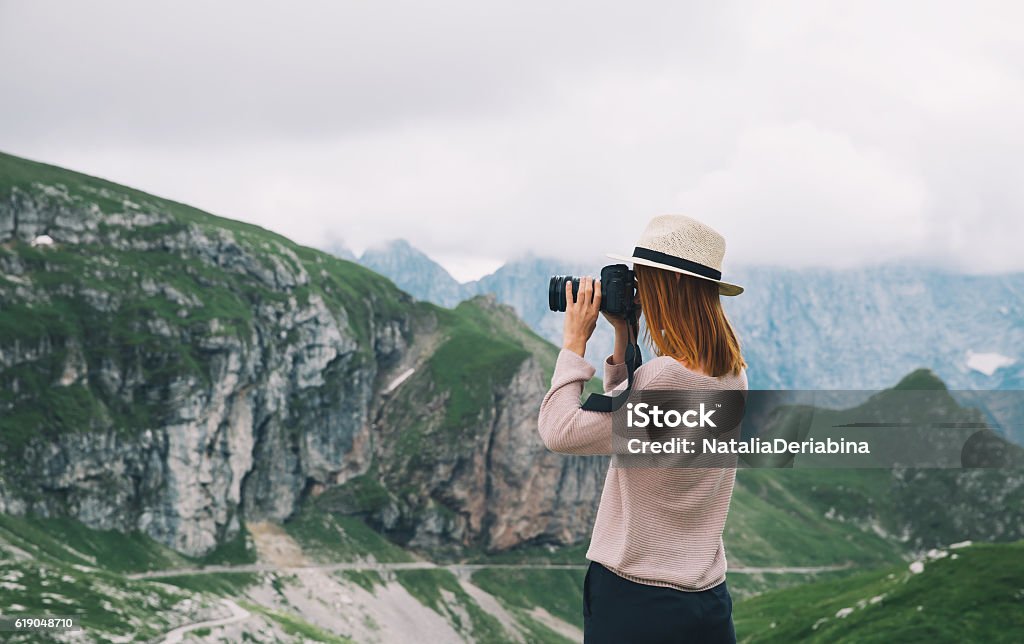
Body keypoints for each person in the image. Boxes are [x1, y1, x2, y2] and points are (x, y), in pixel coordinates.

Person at [538, 215, 747, 644]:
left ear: (665, 287)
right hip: (706, 599)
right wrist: (625, 332)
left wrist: (574, 343)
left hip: (636, 595)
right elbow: (634, 419)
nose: (637, 290)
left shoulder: (666, 377)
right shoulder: (732, 372)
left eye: (643, 280)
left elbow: (560, 431)